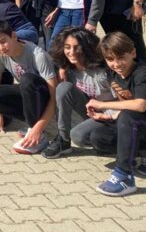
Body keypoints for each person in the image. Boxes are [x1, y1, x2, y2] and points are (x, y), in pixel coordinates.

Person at [81, 32, 146, 196]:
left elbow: (141, 105)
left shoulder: (143, 74)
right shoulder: (113, 73)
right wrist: (108, 116)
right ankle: (144, 155)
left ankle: (125, 176)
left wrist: (102, 105)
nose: (116, 64)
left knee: (128, 117)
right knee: (98, 137)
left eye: (121, 58)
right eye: (110, 59)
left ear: (133, 53)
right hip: (140, 125)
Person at [0, 20, 58, 155]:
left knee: (27, 80)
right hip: (28, 94)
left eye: (3, 41)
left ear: (14, 36)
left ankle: (39, 134)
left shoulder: (37, 55)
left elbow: (54, 96)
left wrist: (37, 129)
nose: (1, 47)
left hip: (46, 98)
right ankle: (33, 125)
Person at [42, 27, 110, 159]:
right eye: (67, 47)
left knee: (79, 136)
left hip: (111, 116)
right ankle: (63, 140)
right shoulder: (69, 68)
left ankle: (111, 141)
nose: (71, 52)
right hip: (91, 113)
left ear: (87, 48)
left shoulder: (103, 72)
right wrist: (63, 68)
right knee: (64, 87)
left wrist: (107, 115)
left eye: (77, 47)